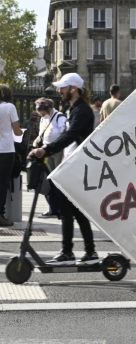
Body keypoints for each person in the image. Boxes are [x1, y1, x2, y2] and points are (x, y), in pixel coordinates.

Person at [29, 73, 98, 265]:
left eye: (63, 87)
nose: (60, 91)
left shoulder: (82, 111)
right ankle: (86, 252)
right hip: (73, 164)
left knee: (69, 209)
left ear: (73, 88)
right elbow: (68, 138)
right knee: (72, 210)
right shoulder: (74, 108)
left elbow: (70, 136)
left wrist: (46, 149)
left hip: (78, 165)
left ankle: (72, 252)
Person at [33, 97, 66, 218]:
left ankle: (63, 209)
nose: (41, 113)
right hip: (47, 152)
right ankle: (53, 208)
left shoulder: (59, 117)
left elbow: (64, 134)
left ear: (50, 108)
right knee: (50, 181)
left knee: (58, 180)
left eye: (43, 110)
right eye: (39, 110)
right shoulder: (43, 119)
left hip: (58, 151)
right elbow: (42, 133)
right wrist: (37, 140)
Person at [0, 85, 23, 227]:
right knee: (2, 183)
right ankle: (0, 214)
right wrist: (21, 132)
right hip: (6, 150)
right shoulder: (9, 107)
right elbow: (17, 131)